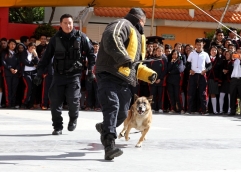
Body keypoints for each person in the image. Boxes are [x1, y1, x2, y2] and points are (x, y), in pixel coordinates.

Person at [94, 8, 157, 160]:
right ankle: (109, 145)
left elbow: (134, 65)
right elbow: (112, 38)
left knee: (123, 113)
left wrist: (149, 74)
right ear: (139, 20)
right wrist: (123, 58)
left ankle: (104, 127)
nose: (144, 25)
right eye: (144, 22)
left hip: (124, 81)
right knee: (112, 107)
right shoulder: (122, 24)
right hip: (109, 75)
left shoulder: (138, 37)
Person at [33, 14, 95, 135]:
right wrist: (39, 74)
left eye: (70, 23)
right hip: (58, 76)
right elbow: (46, 58)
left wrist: (90, 71)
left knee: (73, 101)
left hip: (74, 76)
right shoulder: (55, 39)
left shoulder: (81, 37)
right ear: (60, 24)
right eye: (65, 23)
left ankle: (73, 119)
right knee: (55, 102)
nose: (68, 25)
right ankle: (57, 126)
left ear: (73, 24)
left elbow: (91, 54)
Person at [185, 38, 212, 115]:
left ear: (202, 45)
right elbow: (187, 64)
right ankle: (189, 110)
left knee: (202, 93)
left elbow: (210, 65)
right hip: (193, 75)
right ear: (195, 45)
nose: (199, 46)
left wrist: (205, 70)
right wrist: (190, 70)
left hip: (201, 75)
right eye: (197, 45)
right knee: (191, 93)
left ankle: (204, 110)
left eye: (200, 45)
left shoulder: (205, 54)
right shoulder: (191, 54)